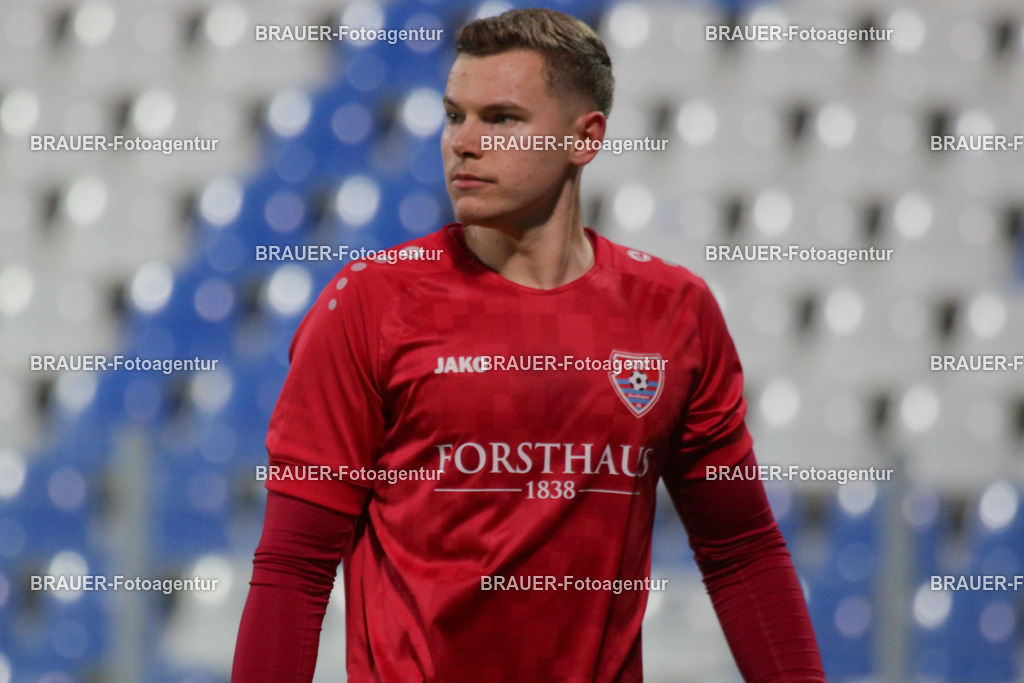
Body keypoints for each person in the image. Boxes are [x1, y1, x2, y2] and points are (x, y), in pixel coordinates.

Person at [233, 8, 825, 681]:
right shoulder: (369, 303)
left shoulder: (673, 313)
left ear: (584, 138)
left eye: (502, 119)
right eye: (454, 115)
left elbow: (740, 547)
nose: (464, 141)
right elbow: (293, 565)